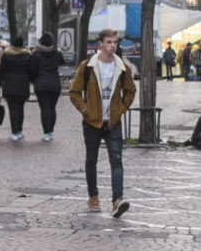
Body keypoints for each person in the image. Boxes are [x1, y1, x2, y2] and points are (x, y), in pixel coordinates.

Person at [68, 28, 136, 217]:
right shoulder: (88, 66)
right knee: (92, 159)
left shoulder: (122, 67)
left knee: (117, 160)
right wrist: (85, 110)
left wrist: (121, 108)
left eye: (115, 42)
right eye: (109, 42)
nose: (113, 45)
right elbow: (74, 92)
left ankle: (117, 200)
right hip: (92, 121)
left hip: (113, 121)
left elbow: (130, 90)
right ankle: (93, 196)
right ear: (100, 44)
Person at [0, 36, 35, 142]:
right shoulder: (28, 56)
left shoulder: (6, 55)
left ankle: (14, 132)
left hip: (9, 84)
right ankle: (19, 131)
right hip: (23, 84)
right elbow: (32, 71)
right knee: (21, 108)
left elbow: (1, 72)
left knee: (12, 109)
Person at [30, 33, 65, 142]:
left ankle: (46, 133)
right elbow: (63, 63)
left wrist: (34, 81)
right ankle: (51, 131)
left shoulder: (36, 55)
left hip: (41, 84)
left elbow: (32, 70)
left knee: (44, 108)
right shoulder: (57, 54)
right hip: (54, 83)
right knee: (52, 107)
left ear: (40, 42)